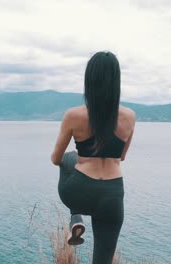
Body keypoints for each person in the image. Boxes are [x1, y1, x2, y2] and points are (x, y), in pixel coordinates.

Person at [51, 51, 135, 263]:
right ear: (116, 81)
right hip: (113, 195)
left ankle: (76, 217)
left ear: (89, 81)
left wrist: (76, 155)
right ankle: (76, 218)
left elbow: (55, 159)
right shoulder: (130, 116)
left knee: (68, 159)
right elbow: (121, 157)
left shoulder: (74, 115)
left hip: (78, 192)